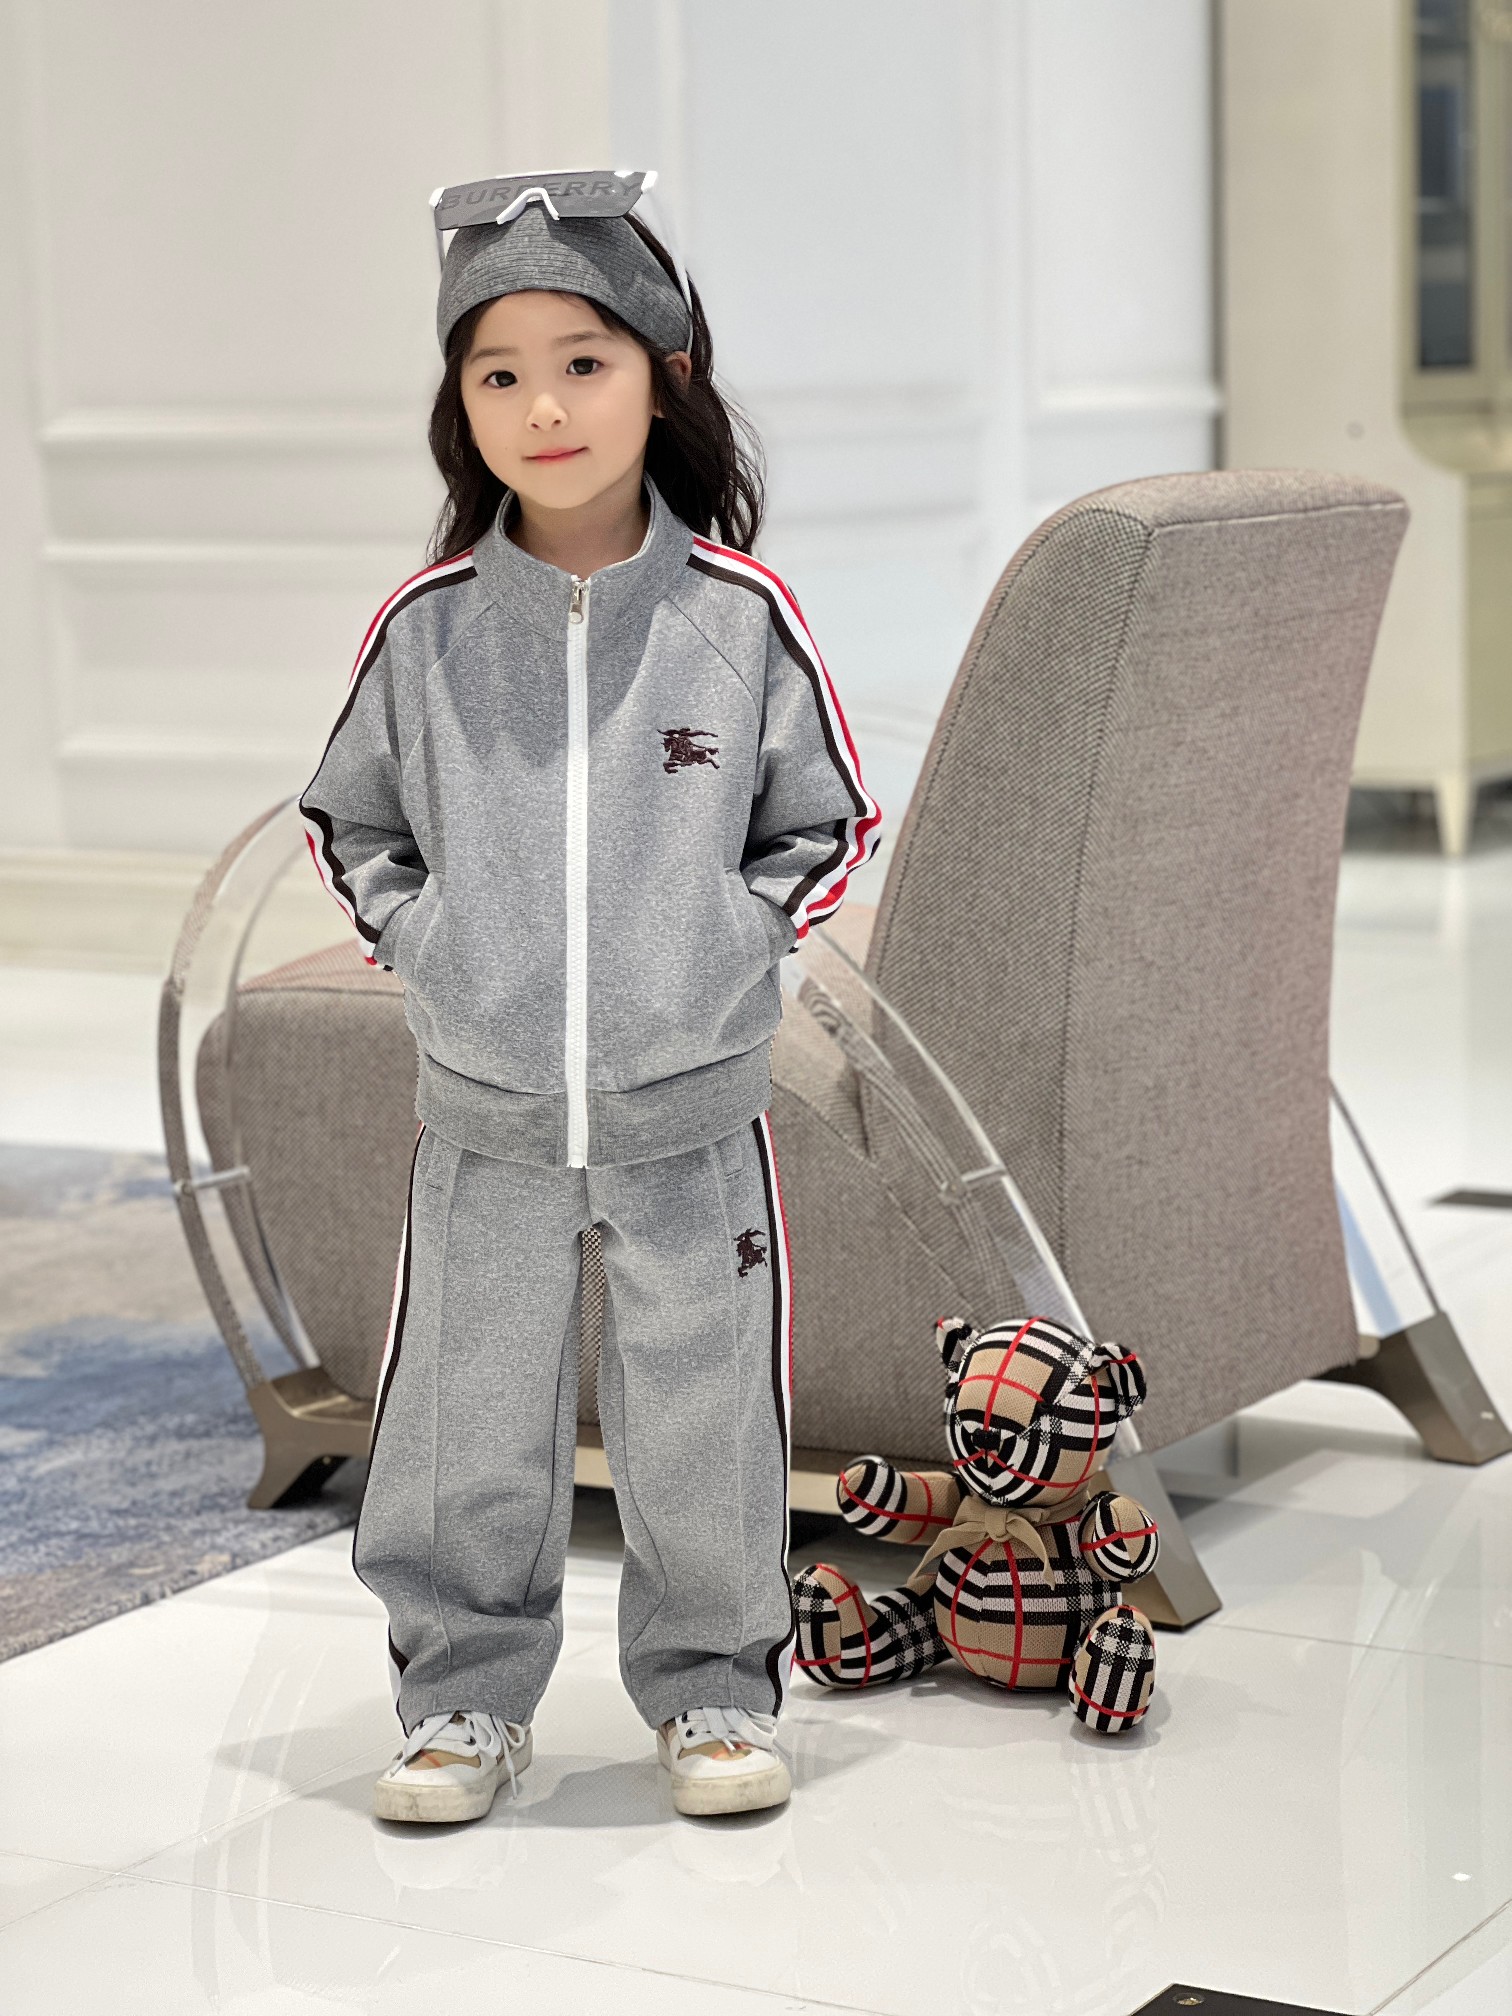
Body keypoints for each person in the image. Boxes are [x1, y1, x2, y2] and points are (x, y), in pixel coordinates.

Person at [297, 170, 882, 1825]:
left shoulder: (737, 620)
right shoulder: (426, 633)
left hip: (691, 1117)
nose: (542, 408)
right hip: (481, 1121)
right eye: (499, 373)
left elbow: (824, 825)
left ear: (661, 377)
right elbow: (351, 823)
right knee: (460, 1424)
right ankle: (459, 1704)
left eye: (582, 362)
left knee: (704, 1415)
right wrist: (432, 947)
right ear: (459, 402)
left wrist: (725, 947)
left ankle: (713, 1694)